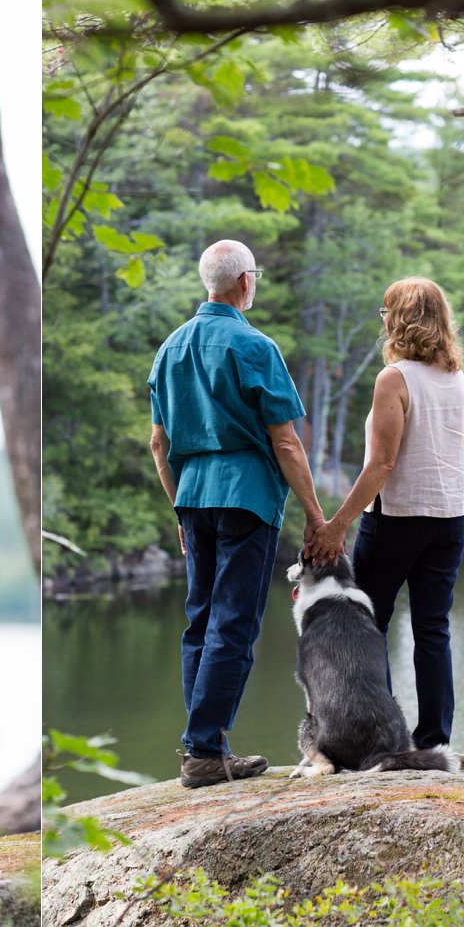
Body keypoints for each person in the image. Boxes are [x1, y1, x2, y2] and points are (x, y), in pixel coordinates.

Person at [148, 239, 326, 788]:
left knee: (199, 621)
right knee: (232, 624)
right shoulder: (254, 346)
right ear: (246, 282)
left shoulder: (169, 349)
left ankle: (206, 746)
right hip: (246, 497)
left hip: (193, 494)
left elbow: (159, 443)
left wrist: (178, 510)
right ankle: (204, 750)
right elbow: (286, 442)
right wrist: (316, 516)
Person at [307, 277, 464, 751]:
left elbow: (382, 463)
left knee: (369, 626)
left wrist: (337, 525)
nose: (382, 321)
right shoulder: (456, 378)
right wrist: (445, 503)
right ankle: (435, 741)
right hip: (450, 520)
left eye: (385, 313)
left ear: (400, 320)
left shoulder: (394, 378)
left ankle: (379, 737)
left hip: (397, 519)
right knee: (432, 629)